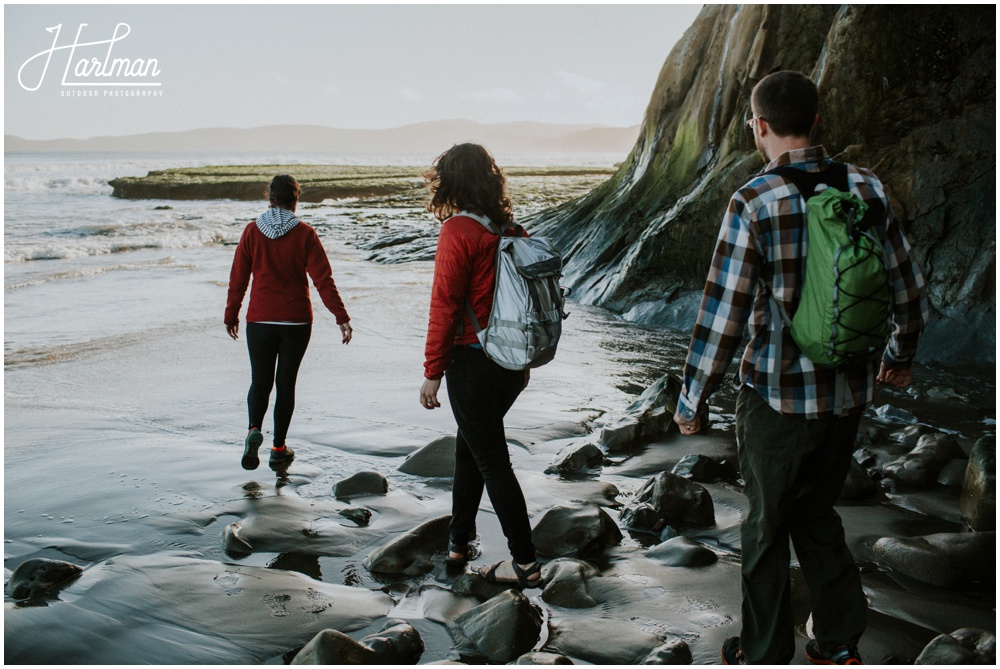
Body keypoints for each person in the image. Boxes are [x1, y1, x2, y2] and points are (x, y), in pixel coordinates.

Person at [673, 71, 928, 665]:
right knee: (816, 511)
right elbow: (909, 290)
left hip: (777, 399)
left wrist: (692, 399)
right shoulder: (866, 187)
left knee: (765, 527)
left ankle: (762, 651)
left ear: (758, 126)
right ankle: (838, 644)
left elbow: (723, 315)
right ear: (815, 121)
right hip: (849, 392)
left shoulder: (754, 199)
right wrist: (900, 357)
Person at [418, 143, 542, 589]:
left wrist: (432, 371)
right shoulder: (508, 228)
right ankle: (458, 540)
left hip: (473, 364)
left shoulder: (458, 231)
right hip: (512, 363)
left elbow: (445, 305)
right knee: (470, 446)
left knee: (490, 458)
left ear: (451, 180)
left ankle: (525, 562)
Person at [225, 174, 353, 474]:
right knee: (285, 384)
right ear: (296, 198)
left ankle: (253, 430)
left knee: (260, 380)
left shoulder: (251, 231)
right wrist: (341, 317)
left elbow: (238, 279)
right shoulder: (305, 233)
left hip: (259, 320)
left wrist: (231, 314)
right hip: (296, 321)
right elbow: (324, 280)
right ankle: (278, 448)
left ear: (269, 197)